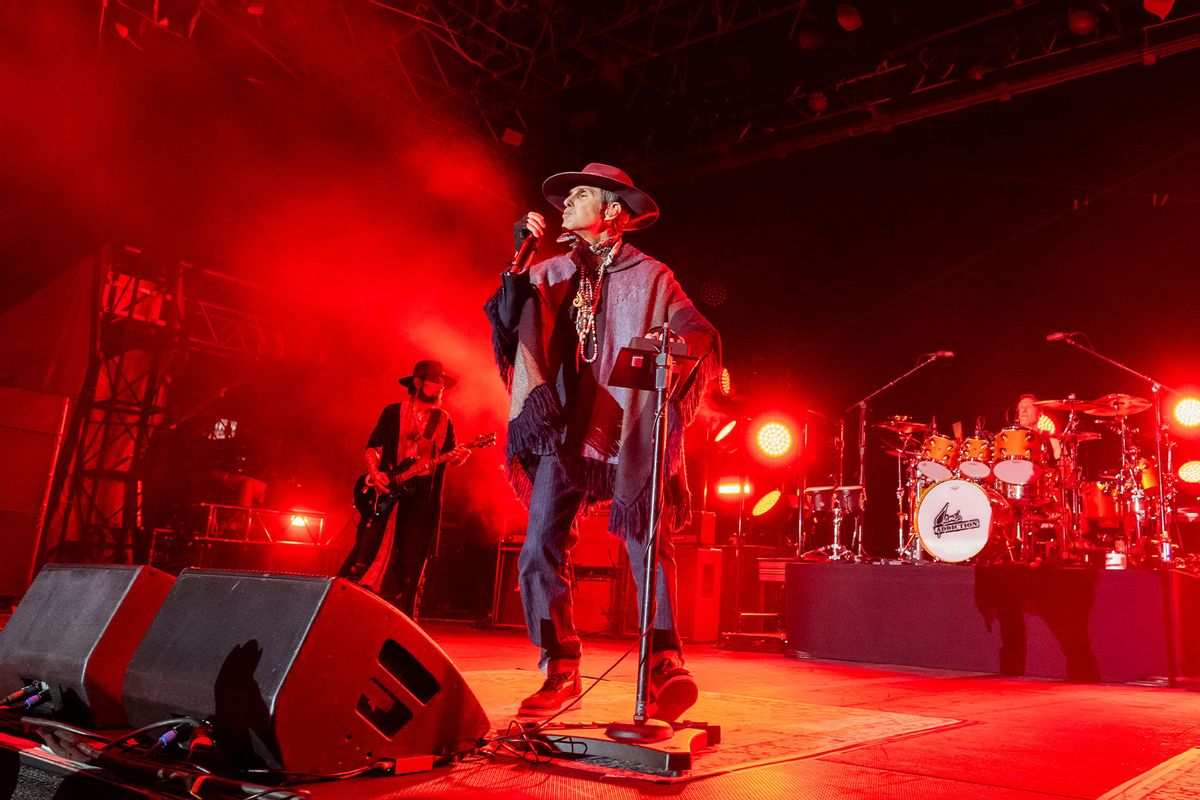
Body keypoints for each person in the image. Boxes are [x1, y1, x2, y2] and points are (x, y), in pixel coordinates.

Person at [485, 163, 720, 719]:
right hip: (562, 428)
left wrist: (667, 341)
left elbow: (697, 329)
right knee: (540, 545)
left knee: (648, 541)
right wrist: (515, 266)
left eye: (580, 194)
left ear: (612, 211)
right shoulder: (547, 271)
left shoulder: (653, 275)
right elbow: (505, 325)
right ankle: (560, 667)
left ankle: (664, 663)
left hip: (626, 428)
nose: (566, 201)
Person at [338, 360, 470, 617]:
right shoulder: (392, 412)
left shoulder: (442, 420)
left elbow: (449, 455)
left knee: (413, 552)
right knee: (370, 545)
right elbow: (373, 447)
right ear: (418, 383)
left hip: (421, 496)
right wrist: (375, 474)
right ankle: (353, 604)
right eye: (433, 381)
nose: (439, 386)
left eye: (441, 383)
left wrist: (459, 455)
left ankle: (404, 612)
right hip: (389, 488)